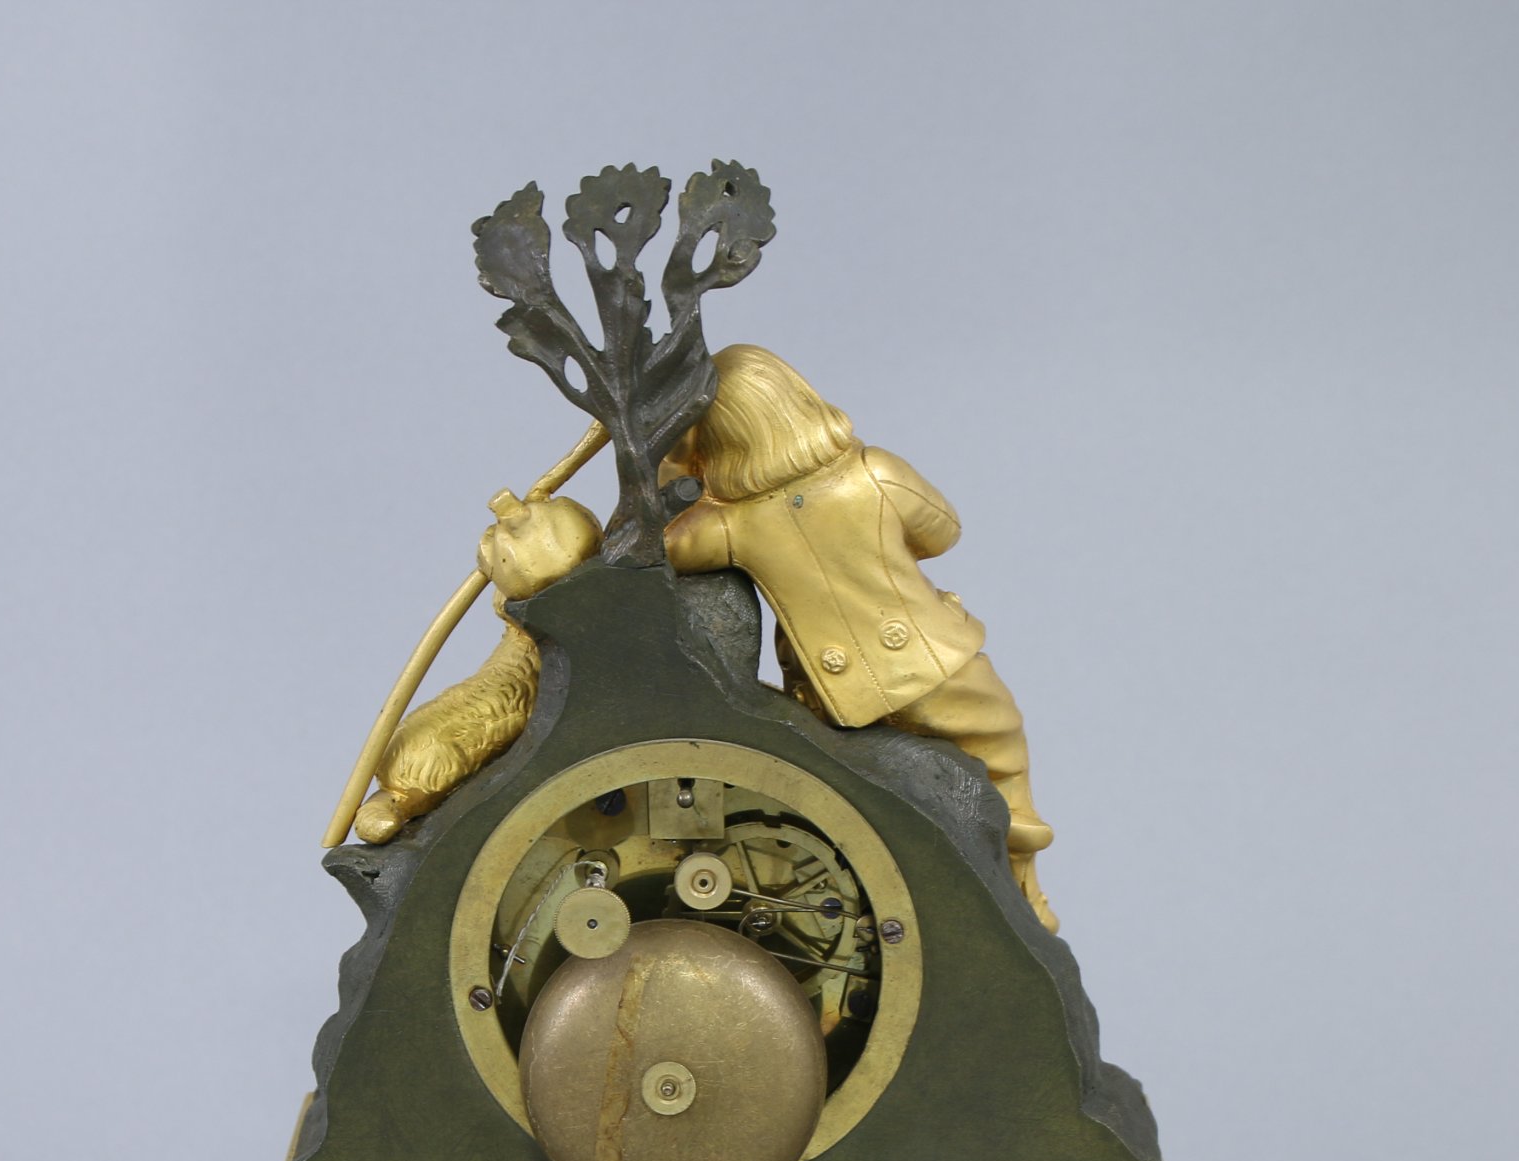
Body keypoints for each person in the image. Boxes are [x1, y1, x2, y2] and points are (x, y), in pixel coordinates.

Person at [661, 345, 1057, 930]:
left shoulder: (732, 523)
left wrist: (677, 458)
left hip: (835, 695)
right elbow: (943, 532)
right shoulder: (877, 474)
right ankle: (1026, 895)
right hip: (937, 664)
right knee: (1003, 761)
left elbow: (665, 544)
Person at [354, 487, 602, 844]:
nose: (510, 512)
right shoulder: (417, 759)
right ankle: (397, 803)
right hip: (429, 755)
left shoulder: (532, 597)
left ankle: (396, 802)